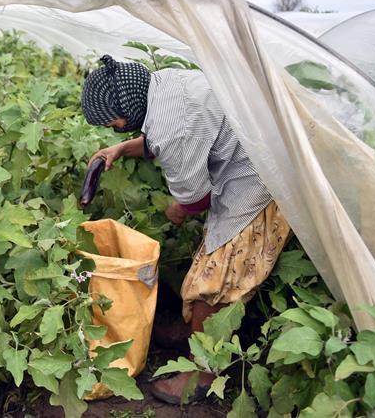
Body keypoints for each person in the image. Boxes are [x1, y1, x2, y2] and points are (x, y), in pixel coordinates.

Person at [81, 55, 291, 404]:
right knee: (210, 265)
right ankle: (192, 331)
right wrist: (122, 147)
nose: (113, 128)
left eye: (112, 123)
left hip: (260, 182)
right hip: (254, 153)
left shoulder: (170, 127)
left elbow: (195, 198)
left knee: (213, 281)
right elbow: (173, 133)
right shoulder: (163, 85)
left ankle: (203, 370)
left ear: (127, 108)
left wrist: (175, 209)